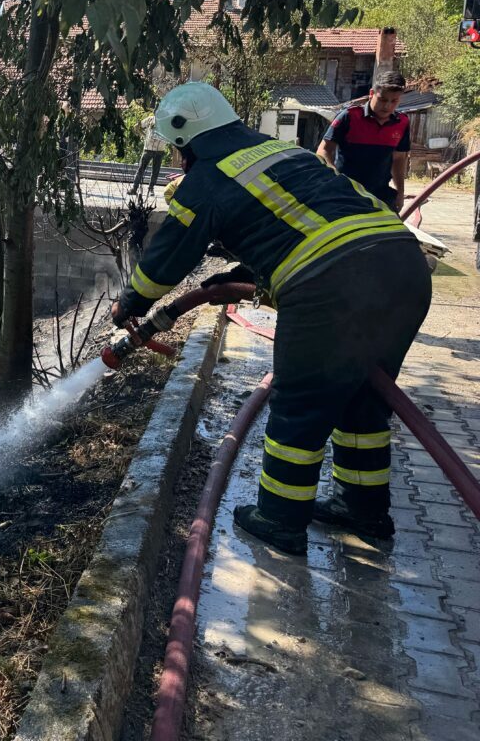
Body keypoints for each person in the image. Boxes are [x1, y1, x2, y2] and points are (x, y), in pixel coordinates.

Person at [111, 82, 431, 556]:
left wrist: (130, 303)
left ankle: (280, 519)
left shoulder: (207, 177)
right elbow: (309, 216)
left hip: (333, 285)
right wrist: (251, 269)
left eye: (178, 150)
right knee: (363, 395)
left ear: (187, 140)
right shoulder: (283, 152)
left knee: (300, 402)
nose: (179, 160)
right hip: (404, 268)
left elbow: (166, 259)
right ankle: (363, 510)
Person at [319, 70, 411, 211]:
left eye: (394, 101)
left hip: (380, 195)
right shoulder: (349, 116)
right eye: (383, 100)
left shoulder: (402, 122)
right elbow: (324, 150)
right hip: (345, 194)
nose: (387, 106)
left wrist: (400, 193)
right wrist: (335, 179)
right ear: (372, 94)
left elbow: (399, 159)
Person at [131, 113, 169, 194]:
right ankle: (134, 188)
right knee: (141, 169)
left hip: (160, 149)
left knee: (155, 171)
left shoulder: (168, 122)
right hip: (148, 149)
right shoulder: (150, 119)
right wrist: (144, 136)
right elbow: (137, 126)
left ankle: (151, 188)